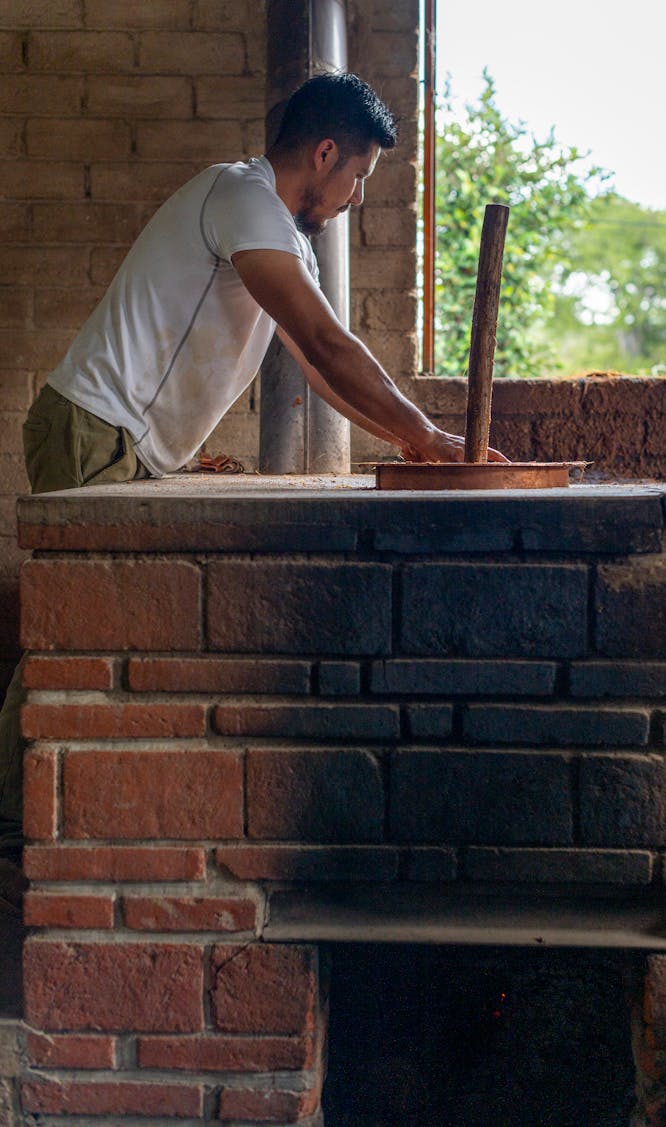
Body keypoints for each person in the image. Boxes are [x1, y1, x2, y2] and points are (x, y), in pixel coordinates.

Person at [0, 71, 506, 908]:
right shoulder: (242, 196)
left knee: (78, 640)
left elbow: (314, 363)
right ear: (325, 151)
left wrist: (411, 440)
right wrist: (427, 439)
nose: (354, 199)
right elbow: (323, 339)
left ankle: (33, 825)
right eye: (359, 179)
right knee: (73, 642)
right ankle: (24, 833)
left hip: (118, 441)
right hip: (90, 428)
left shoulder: (279, 235)